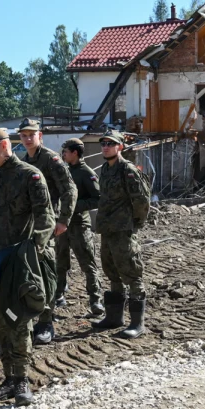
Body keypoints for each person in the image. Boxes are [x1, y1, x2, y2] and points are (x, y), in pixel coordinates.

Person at [0, 128, 54, 406]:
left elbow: (46, 217)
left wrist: (34, 250)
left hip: (19, 260)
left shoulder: (29, 175)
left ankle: (21, 379)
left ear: (2, 146)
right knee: (1, 322)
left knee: (19, 321)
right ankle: (9, 377)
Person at [16, 118, 76, 344]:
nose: (28, 138)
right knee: (28, 272)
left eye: (32, 134)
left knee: (46, 273)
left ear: (40, 135)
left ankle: (46, 322)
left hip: (46, 226)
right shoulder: (24, 160)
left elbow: (70, 189)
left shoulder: (50, 159)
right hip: (27, 227)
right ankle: (30, 317)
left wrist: (64, 220)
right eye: (24, 135)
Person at [90, 131, 151, 339]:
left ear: (120, 147)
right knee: (111, 271)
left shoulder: (128, 170)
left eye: (110, 143)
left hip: (123, 230)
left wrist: (135, 223)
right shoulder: (106, 169)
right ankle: (114, 317)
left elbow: (142, 200)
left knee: (131, 272)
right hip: (107, 229)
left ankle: (137, 323)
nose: (105, 146)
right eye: (103, 143)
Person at [56, 138, 103, 317]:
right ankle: (59, 295)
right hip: (63, 225)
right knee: (60, 263)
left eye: (66, 151)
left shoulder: (86, 172)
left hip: (79, 226)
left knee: (87, 264)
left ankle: (95, 300)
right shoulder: (66, 171)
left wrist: (74, 206)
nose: (63, 154)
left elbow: (97, 198)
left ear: (75, 152)